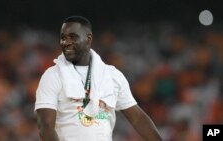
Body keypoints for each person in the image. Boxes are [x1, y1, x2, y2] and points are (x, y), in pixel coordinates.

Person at [35, 16, 163, 141]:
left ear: (88, 39)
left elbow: (138, 118)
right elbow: (45, 126)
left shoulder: (112, 75)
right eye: (63, 38)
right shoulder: (52, 76)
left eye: (73, 37)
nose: (66, 42)